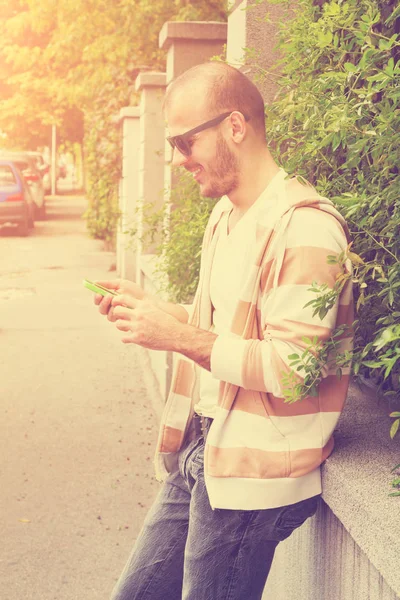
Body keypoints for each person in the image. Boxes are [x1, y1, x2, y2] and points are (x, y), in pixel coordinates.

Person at [93, 62, 354, 600]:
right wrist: (158, 311)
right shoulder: (226, 217)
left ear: (235, 126)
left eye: (185, 142)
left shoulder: (305, 228)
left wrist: (175, 337)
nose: (176, 159)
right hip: (206, 447)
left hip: (253, 472)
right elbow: (223, 330)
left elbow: (291, 367)